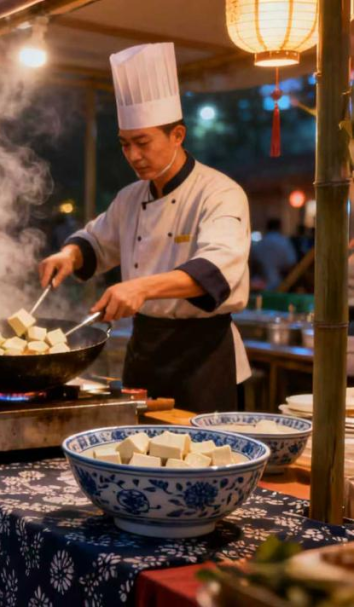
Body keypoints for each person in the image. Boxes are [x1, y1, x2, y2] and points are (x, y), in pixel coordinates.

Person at [39, 43, 251, 413]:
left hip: (204, 358)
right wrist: (68, 255)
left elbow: (217, 270)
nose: (133, 155)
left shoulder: (220, 192)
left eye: (143, 142)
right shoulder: (130, 197)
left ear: (178, 136)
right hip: (145, 352)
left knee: (206, 461)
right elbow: (97, 241)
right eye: (125, 145)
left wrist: (139, 288)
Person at [252, 218, 297, 292]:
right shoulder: (284, 242)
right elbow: (291, 263)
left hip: (261, 285)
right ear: (280, 227)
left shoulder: (261, 243)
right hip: (281, 284)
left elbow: (254, 263)